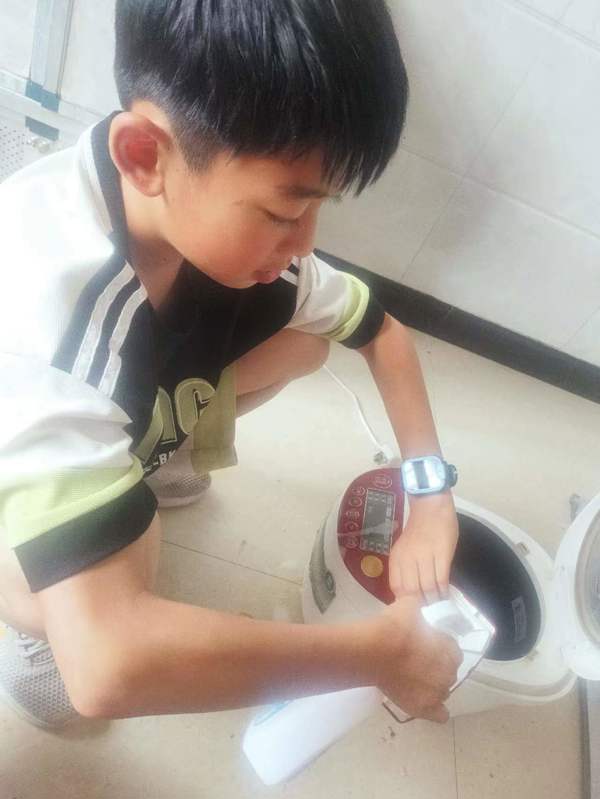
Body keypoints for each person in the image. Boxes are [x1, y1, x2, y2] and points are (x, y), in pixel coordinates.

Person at [0, 0, 462, 731]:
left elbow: (383, 333)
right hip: (16, 461)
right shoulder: (54, 329)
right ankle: (33, 612)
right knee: (100, 615)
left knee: (304, 342)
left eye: (316, 208)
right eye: (282, 213)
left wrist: (431, 498)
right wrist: (382, 653)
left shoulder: (182, 198)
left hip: (106, 400)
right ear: (145, 156)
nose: (303, 243)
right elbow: (110, 666)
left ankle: (144, 463)